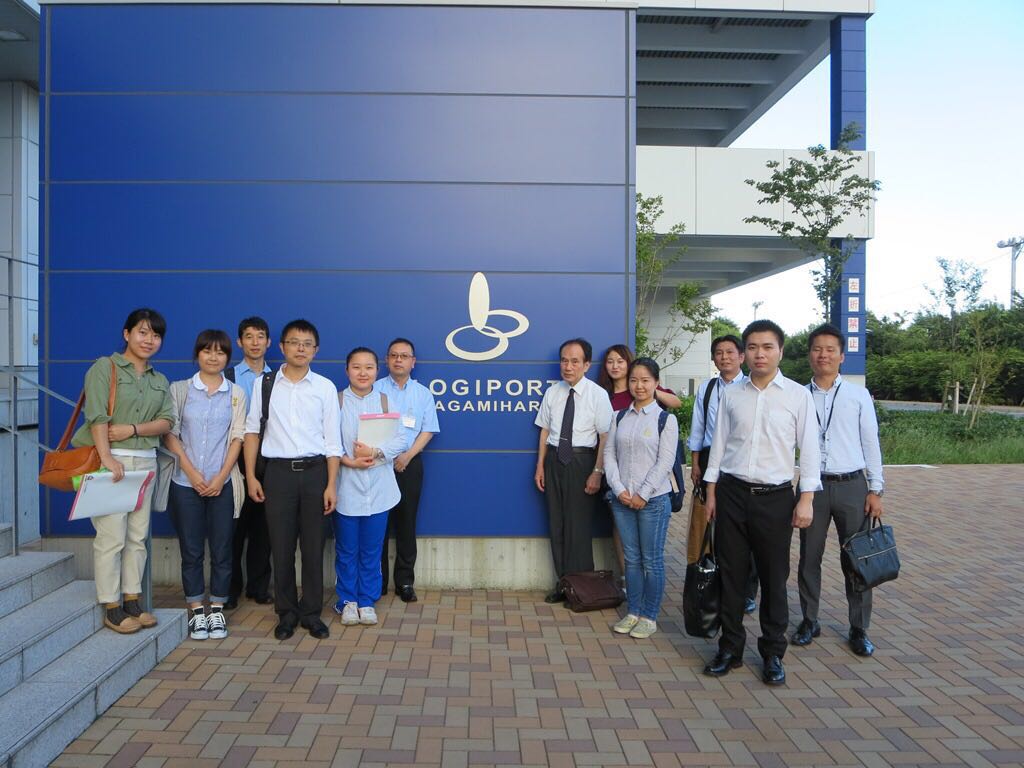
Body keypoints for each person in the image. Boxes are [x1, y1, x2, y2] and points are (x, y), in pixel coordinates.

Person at [702, 319, 821, 686]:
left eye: (767, 347)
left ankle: (772, 653)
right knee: (731, 576)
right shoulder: (731, 394)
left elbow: (811, 451)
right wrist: (711, 492)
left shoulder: (797, 396)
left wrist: (806, 499)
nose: (759, 354)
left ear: (780, 351)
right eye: (752, 347)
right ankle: (730, 649)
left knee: (773, 579)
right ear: (745, 353)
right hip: (732, 494)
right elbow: (719, 445)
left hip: (776, 499)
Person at [71, 308, 174, 634]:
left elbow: (166, 421)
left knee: (137, 537)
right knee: (111, 536)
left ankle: (132, 599)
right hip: (112, 462)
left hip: (145, 463)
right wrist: (106, 458)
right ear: (126, 334)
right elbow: (97, 416)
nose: (149, 340)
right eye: (142, 332)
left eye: (155, 335)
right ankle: (111, 605)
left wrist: (132, 428)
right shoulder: (106, 367)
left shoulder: (159, 380)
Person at [243, 319, 341, 641]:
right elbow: (252, 432)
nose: (301, 348)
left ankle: (311, 613)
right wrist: (251, 477)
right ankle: (286, 613)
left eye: (307, 344)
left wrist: (331, 484)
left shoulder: (325, 388)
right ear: (282, 347)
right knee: (281, 548)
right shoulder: (265, 384)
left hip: (315, 474)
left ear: (316, 350)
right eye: (294, 342)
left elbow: (333, 442)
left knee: (313, 550)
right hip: (278, 475)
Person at [792, 324, 884, 657]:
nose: (823, 355)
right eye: (817, 349)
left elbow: (870, 442)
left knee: (856, 559)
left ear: (842, 356)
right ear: (809, 355)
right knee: (808, 557)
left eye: (830, 349)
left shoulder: (858, 395)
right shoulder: (798, 396)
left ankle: (859, 628)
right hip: (812, 487)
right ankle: (809, 620)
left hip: (852, 486)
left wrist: (875, 489)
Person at [164, 330, 247, 640]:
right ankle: (197, 611)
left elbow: (237, 437)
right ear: (197, 354)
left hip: (222, 483)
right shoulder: (180, 390)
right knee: (192, 550)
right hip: (185, 483)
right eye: (207, 351)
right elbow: (170, 434)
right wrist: (194, 474)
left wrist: (220, 476)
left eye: (220, 352)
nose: (214, 357)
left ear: (227, 357)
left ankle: (218, 610)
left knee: (223, 550)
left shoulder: (236, 393)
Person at [603, 358, 678, 639]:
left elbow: (665, 462)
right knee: (632, 559)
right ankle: (633, 612)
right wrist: (618, 488)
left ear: (656, 383)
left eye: (646, 380)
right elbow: (609, 454)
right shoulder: (619, 417)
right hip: (622, 499)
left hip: (653, 501)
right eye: (634, 380)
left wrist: (643, 494)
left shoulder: (665, 419)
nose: (639, 386)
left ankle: (649, 615)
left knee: (651, 560)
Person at [534, 338, 614, 603]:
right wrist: (540, 466)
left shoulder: (597, 394)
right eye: (564, 361)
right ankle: (564, 585)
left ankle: (582, 589)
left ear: (587, 365)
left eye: (575, 362)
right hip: (554, 460)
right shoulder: (553, 393)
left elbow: (605, 437)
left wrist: (597, 471)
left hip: (583, 462)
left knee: (578, 529)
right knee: (556, 525)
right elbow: (544, 431)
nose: (568, 367)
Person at [687, 335, 759, 614]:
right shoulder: (707, 389)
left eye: (730, 352)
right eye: (719, 352)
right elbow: (697, 429)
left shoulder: (752, 387)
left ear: (741, 357)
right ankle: (714, 582)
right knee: (711, 524)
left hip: (739, 460)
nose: (724, 357)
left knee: (743, 528)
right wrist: (695, 464)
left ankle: (747, 591)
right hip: (709, 461)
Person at [335, 347, 406, 626]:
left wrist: (376, 452)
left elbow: (401, 439)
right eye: (356, 367)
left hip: (379, 489)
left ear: (377, 370)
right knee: (347, 550)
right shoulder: (337, 401)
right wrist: (349, 461)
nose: (363, 373)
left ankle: (366, 600)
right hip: (346, 488)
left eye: (369, 367)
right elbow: (327, 442)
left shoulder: (387, 401)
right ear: (347, 370)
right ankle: (347, 601)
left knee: (372, 550)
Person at [375, 338, 440, 603]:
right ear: (386, 360)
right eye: (394, 355)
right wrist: (386, 455)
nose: (398, 360)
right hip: (378, 464)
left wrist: (408, 455)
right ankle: (376, 582)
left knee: (406, 522)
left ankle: (404, 582)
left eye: (404, 356)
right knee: (377, 524)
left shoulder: (422, 393)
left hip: (410, 464)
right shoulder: (374, 389)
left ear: (413, 362)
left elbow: (429, 429)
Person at [226, 316, 273, 610]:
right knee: (233, 527)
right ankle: (230, 588)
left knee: (264, 528)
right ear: (239, 342)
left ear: (268, 342)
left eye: (260, 336)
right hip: (234, 460)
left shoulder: (279, 378)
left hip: (268, 459)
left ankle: (259, 587)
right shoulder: (227, 375)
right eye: (249, 336)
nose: (255, 342)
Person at [598, 344, 682, 412]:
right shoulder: (602, 393)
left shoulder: (644, 386)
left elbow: (677, 403)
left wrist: (648, 390)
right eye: (610, 362)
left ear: (628, 363)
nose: (615, 366)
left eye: (620, 361)